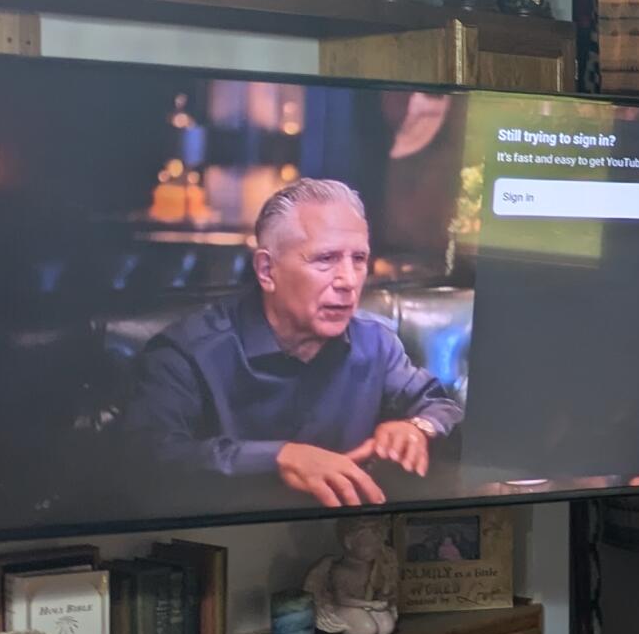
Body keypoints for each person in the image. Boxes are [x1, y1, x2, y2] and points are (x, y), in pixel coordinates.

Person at [123, 178, 463, 508]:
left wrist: (417, 427)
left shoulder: (375, 342)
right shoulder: (188, 353)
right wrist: (280, 458)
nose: (348, 280)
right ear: (267, 270)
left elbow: (441, 406)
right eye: (325, 259)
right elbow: (151, 458)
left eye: (358, 259)